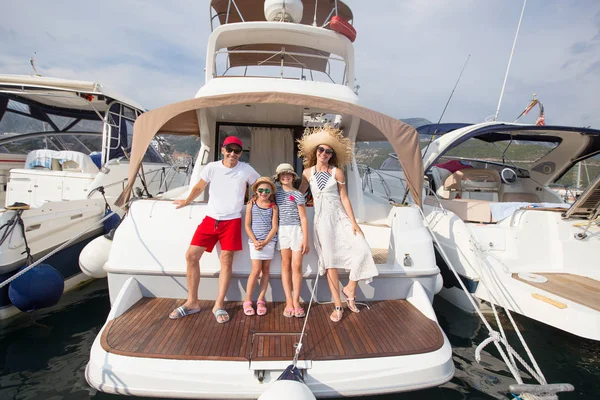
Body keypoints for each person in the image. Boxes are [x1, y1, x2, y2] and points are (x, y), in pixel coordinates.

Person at [169, 136, 259, 323]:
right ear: (223, 149)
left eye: (237, 151)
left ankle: (219, 304)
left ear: (241, 153)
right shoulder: (212, 167)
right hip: (211, 219)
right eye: (229, 149)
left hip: (232, 221)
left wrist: (259, 201)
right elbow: (199, 186)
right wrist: (187, 201)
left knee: (226, 262)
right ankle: (192, 302)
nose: (232, 153)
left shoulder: (246, 170)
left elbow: (260, 185)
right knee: (191, 256)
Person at [298, 125, 378, 322]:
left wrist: (354, 223)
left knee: (363, 249)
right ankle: (338, 305)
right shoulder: (307, 173)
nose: (324, 153)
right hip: (322, 221)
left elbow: (344, 198)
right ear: (315, 152)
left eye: (328, 151)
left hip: (340, 218)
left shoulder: (337, 173)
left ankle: (350, 287)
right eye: (321, 150)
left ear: (331, 154)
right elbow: (300, 194)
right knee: (330, 262)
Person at [273, 163, 309, 318]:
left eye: (288, 174)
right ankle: (288, 300)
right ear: (279, 178)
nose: (285, 177)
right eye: (282, 175)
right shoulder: (276, 193)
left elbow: (303, 218)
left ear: (293, 177)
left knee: (297, 265)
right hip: (282, 230)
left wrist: (305, 239)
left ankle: (296, 301)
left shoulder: (298, 195)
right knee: (286, 265)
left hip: (296, 230)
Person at [243, 177, 278, 316]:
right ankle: (247, 300)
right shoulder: (251, 204)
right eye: (261, 190)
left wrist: (266, 241)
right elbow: (247, 225)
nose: (264, 192)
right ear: (256, 191)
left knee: (266, 270)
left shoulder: (273, 206)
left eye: (267, 190)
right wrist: (255, 240)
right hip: (255, 243)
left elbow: (274, 227)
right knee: (256, 270)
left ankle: (260, 299)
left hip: (269, 242)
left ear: (271, 192)